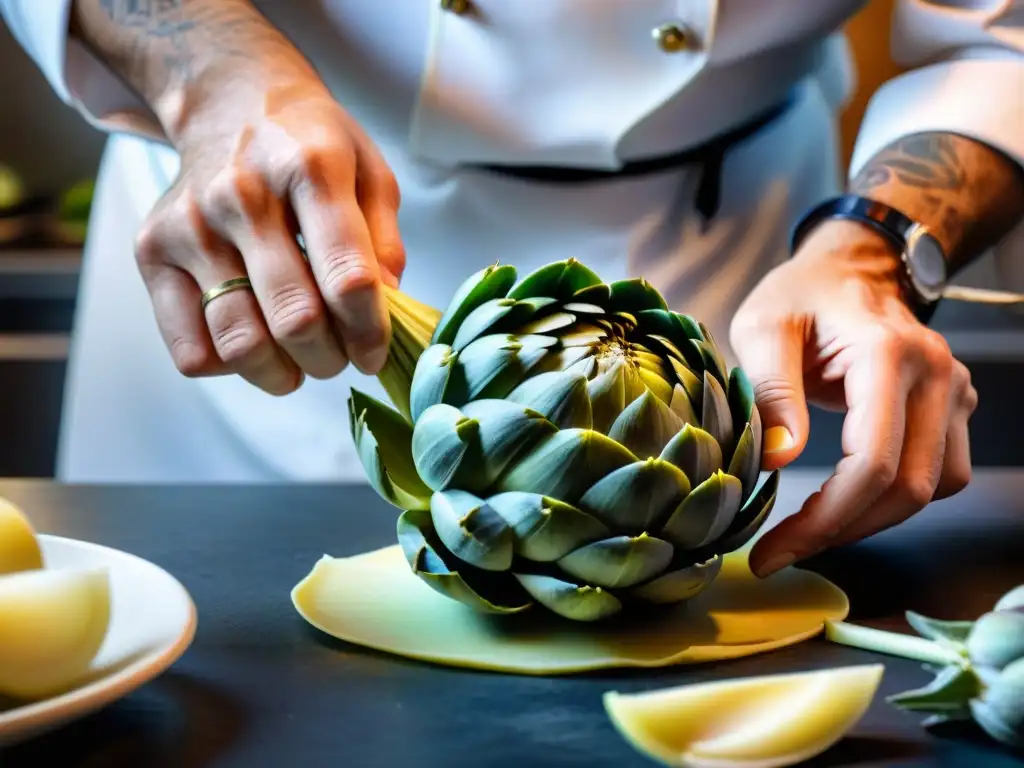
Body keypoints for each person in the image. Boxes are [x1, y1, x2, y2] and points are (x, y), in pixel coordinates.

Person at [2, 1, 1022, 578]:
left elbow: (1001, 32)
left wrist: (878, 246)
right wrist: (210, 74)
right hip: (262, 200)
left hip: (738, 255)